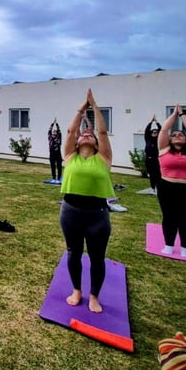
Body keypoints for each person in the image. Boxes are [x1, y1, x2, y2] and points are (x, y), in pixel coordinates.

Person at [59, 89, 113, 313]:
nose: (87, 134)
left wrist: (95, 106)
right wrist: (82, 109)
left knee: (97, 257)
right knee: (74, 252)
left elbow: (101, 130)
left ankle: (94, 296)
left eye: (90, 135)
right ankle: (77, 290)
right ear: (78, 141)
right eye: (84, 134)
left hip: (97, 215)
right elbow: (71, 130)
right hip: (71, 212)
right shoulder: (70, 156)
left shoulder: (104, 158)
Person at [157, 105, 186, 258]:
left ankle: (185, 248)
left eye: (180, 134)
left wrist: (182, 114)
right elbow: (164, 130)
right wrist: (174, 114)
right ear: (169, 139)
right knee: (169, 217)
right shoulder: (164, 149)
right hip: (167, 188)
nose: (177, 135)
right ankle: (169, 245)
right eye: (174, 134)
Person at [144, 115, 162, 192]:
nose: (155, 133)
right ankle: (152, 188)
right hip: (148, 159)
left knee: (158, 175)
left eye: (156, 132)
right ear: (151, 133)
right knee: (151, 175)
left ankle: (158, 188)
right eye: (154, 132)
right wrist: (151, 122)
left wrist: (157, 122)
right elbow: (146, 131)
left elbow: (161, 130)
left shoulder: (158, 140)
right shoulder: (148, 139)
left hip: (157, 159)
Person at [48, 118, 63, 183]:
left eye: (55, 131)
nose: (54, 132)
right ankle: (54, 178)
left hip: (58, 155)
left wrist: (56, 124)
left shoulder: (59, 137)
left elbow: (59, 131)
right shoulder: (50, 138)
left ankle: (59, 178)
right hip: (52, 155)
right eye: (53, 131)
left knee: (59, 167)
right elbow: (49, 131)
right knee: (53, 167)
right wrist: (52, 124)